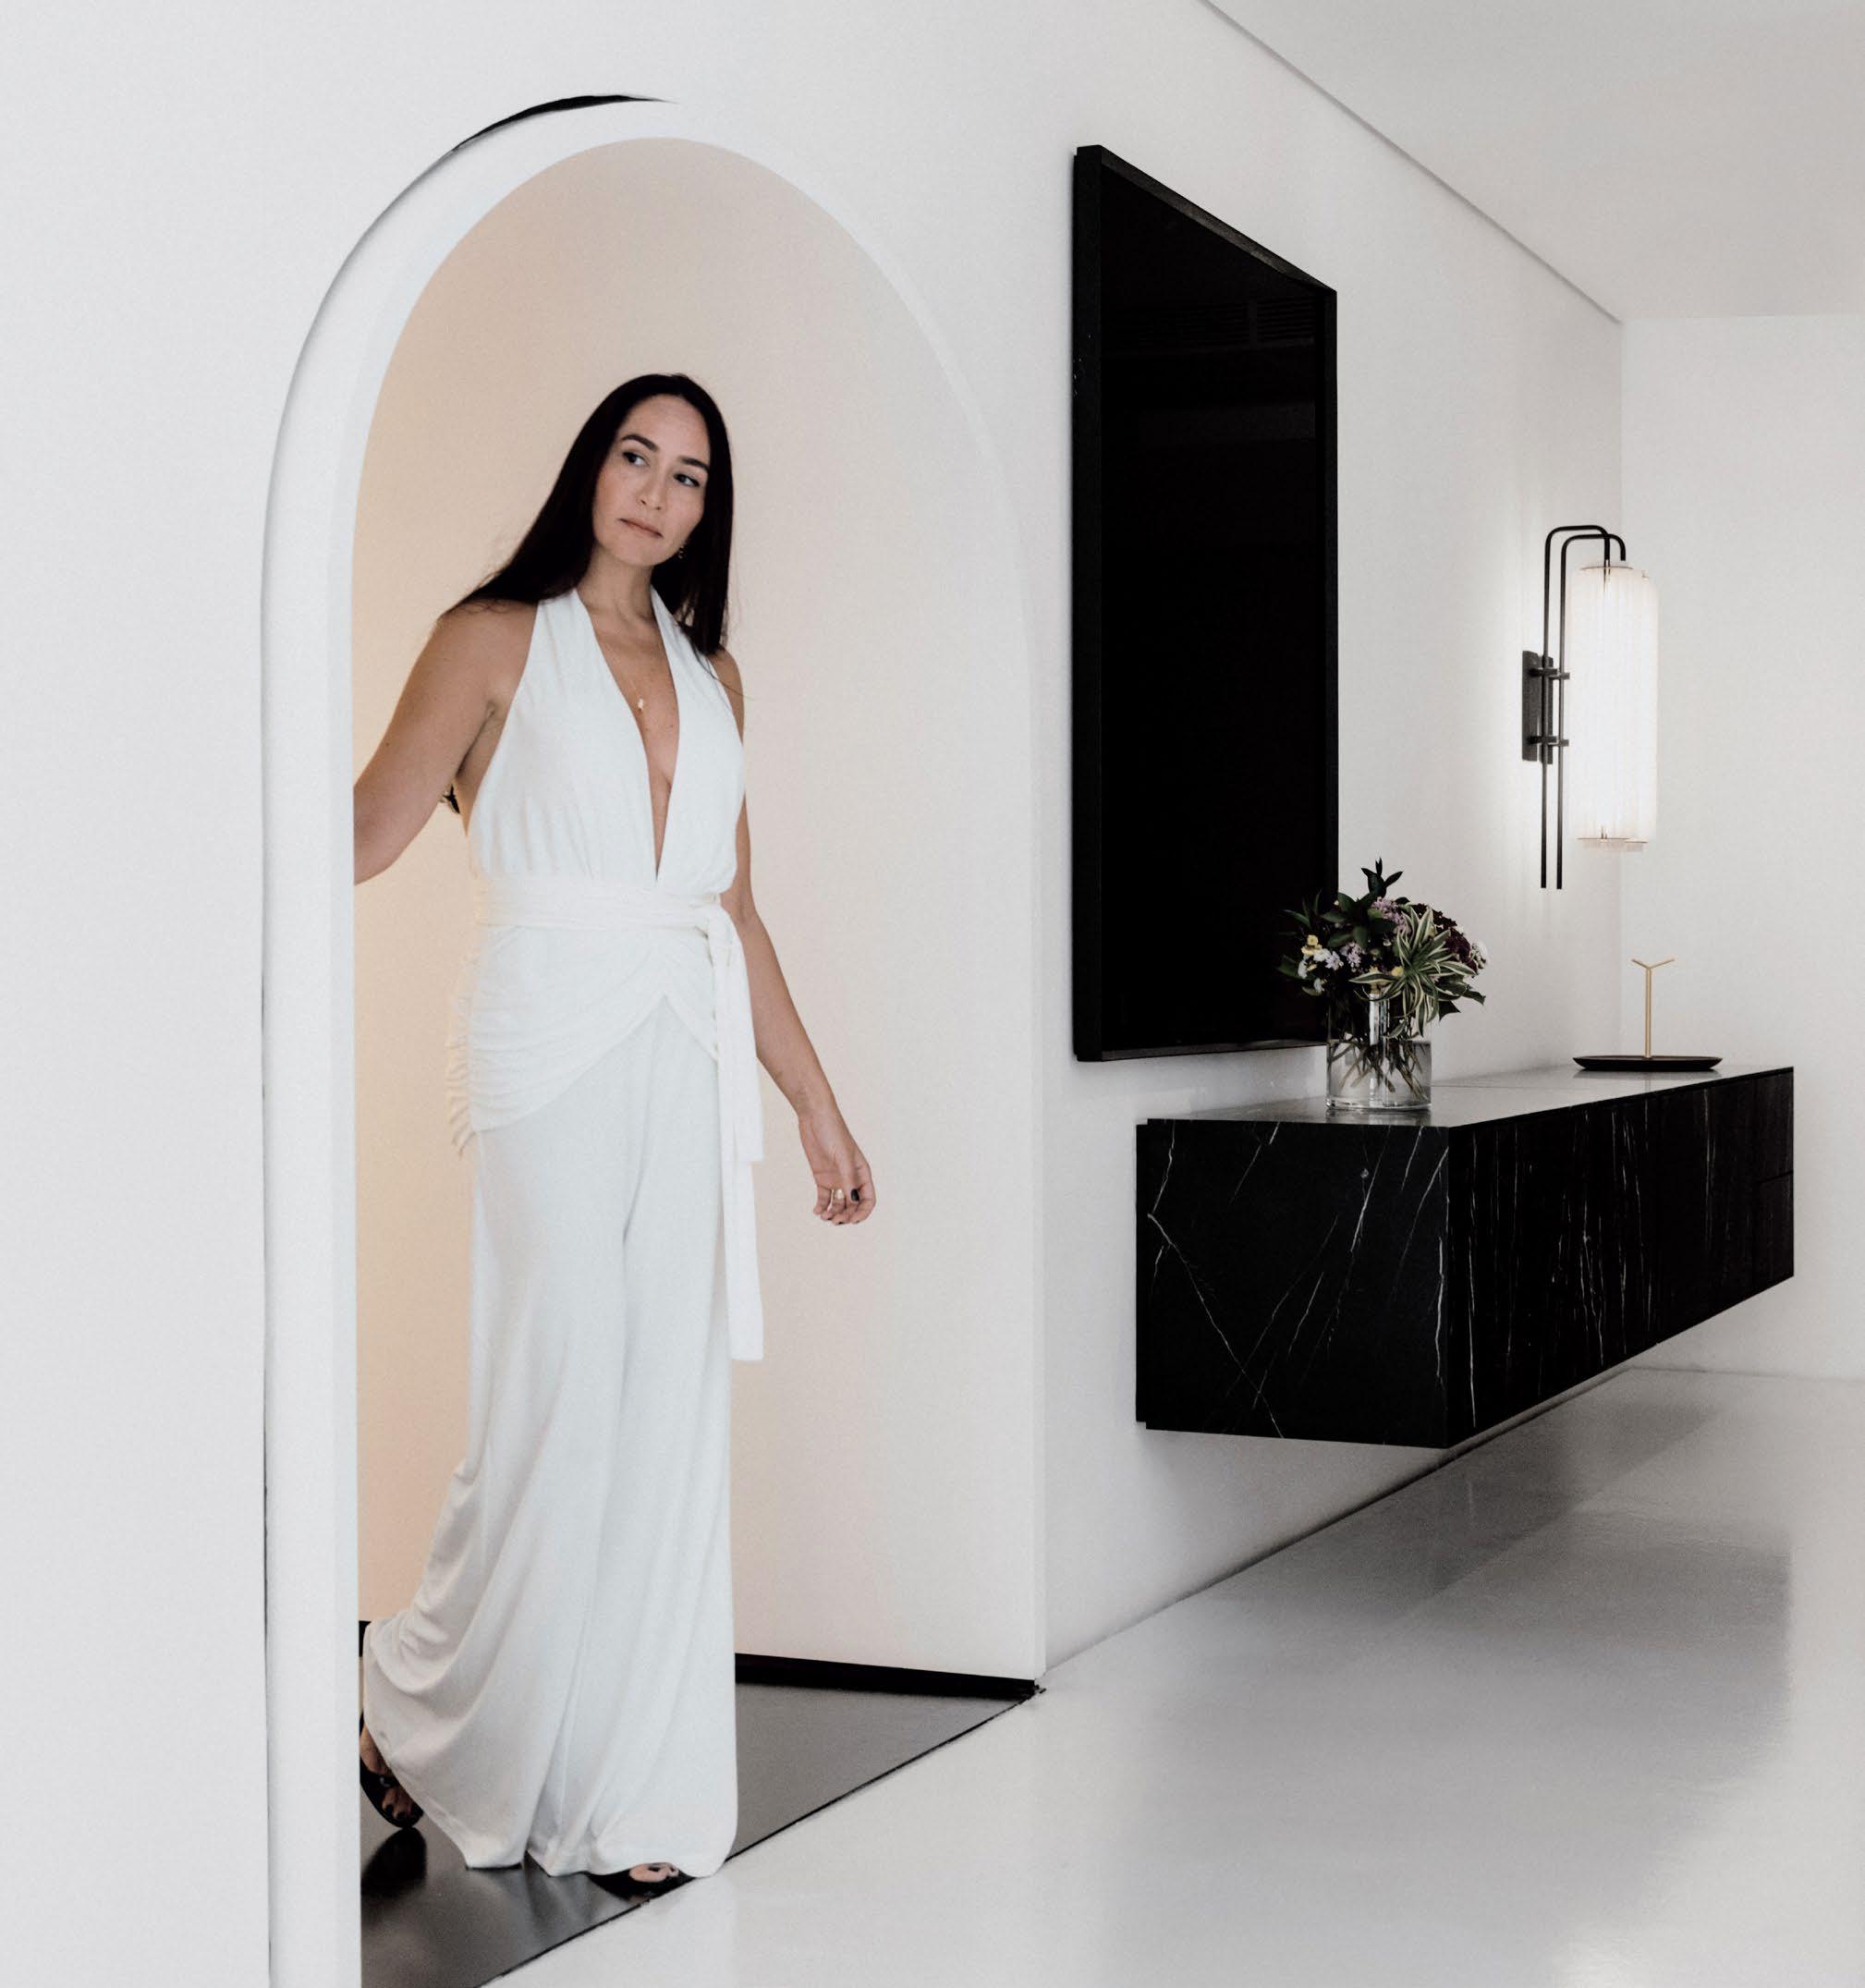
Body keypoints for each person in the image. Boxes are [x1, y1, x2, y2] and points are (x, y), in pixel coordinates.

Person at [350, 373, 874, 1888]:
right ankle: (415, 1704)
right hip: (548, 1039)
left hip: (685, 1045)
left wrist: (816, 1105)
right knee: (555, 1393)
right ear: (591, 467)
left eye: (689, 475)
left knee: (663, 1415)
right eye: (635, 457)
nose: (655, 491)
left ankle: (632, 1797)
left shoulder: (717, 677)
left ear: (710, 509)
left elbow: (731, 910)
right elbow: (368, 828)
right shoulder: (490, 638)